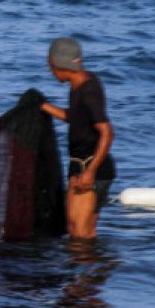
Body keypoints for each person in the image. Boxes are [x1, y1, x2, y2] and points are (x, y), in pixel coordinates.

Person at [40, 37, 115, 239]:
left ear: (61, 64)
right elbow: (76, 118)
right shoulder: (77, 85)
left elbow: (107, 132)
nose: (51, 71)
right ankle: (94, 270)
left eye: (51, 66)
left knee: (80, 237)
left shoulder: (89, 90)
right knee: (77, 232)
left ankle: (92, 269)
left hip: (91, 168)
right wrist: (43, 106)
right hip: (78, 165)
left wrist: (90, 172)